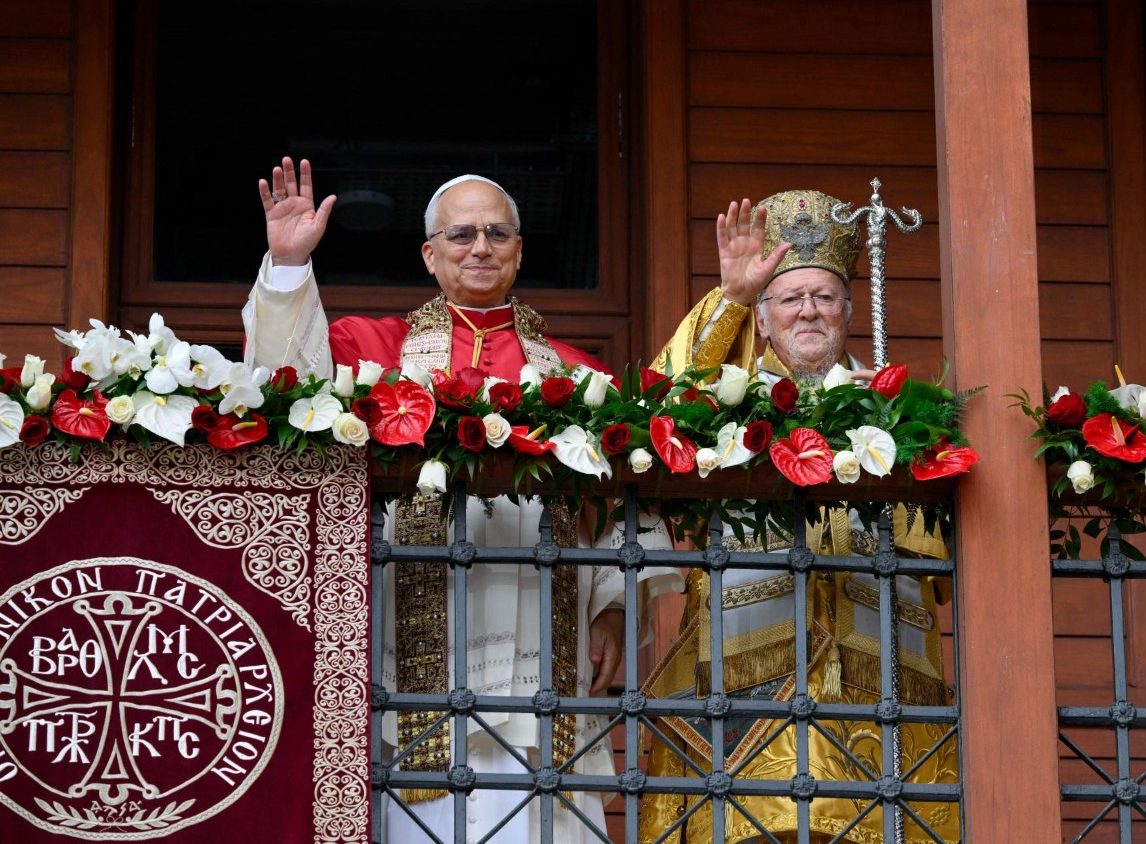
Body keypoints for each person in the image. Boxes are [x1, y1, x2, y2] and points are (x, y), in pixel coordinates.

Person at [242, 157, 678, 843]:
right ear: (429, 253)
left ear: (520, 250)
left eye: (498, 233)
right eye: (461, 234)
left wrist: (617, 607)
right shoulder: (371, 348)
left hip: (548, 630)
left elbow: (629, 503)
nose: (481, 247)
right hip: (409, 629)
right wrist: (290, 266)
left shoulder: (578, 370)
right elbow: (283, 386)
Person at [640, 190, 960, 843]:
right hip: (751, 685)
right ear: (761, 321)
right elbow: (654, 415)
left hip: (882, 685)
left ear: (848, 313)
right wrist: (731, 296)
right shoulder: (722, 403)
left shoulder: (899, 412)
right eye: (789, 298)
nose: (808, 310)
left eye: (823, 297)